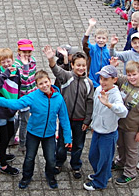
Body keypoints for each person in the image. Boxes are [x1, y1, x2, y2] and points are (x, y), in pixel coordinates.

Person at [0, 70, 72, 189]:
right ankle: (26, 177)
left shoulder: (59, 98)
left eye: (46, 82)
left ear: (50, 81)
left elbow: (64, 119)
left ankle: (50, 176)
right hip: (33, 133)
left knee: (51, 159)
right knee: (30, 157)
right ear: (36, 85)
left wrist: (67, 137)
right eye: (40, 84)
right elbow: (16, 104)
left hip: (49, 134)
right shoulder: (33, 96)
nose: (44, 85)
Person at [43, 45, 94, 179]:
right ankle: (59, 162)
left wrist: (87, 121)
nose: (81, 68)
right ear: (72, 65)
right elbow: (55, 70)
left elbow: (90, 103)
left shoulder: (89, 83)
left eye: (83, 66)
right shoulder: (67, 77)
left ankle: (76, 165)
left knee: (78, 144)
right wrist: (50, 59)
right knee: (61, 143)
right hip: (65, 119)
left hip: (80, 120)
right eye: (78, 65)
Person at [83, 65, 128, 191]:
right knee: (93, 156)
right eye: (101, 78)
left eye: (106, 79)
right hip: (97, 130)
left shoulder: (116, 95)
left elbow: (123, 112)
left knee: (104, 159)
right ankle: (103, 175)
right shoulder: (99, 90)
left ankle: (100, 182)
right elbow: (96, 109)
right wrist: (93, 123)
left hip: (108, 134)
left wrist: (109, 104)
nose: (102, 82)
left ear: (114, 80)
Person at [110, 61, 139, 185]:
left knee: (132, 150)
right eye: (129, 75)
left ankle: (130, 173)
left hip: (133, 128)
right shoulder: (124, 81)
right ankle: (121, 162)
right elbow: (114, 77)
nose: (131, 77)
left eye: (134, 74)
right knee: (121, 146)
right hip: (120, 125)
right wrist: (113, 66)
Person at [0, 48, 21, 176]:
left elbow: (18, 87)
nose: (6, 64)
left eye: (8, 61)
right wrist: (5, 75)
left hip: (11, 109)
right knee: (3, 138)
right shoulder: (0, 74)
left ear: (12, 60)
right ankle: (2, 164)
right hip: (0, 112)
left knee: (10, 134)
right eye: (3, 62)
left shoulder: (16, 71)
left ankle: (1, 154)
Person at [12, 39, 37, 152]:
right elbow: (24, 80)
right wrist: (25, 66)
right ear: (19, 51)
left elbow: (33, 78)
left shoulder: (33, 61)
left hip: (31, 95)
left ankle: (11, 138)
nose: (27, 54)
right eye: (24, 51)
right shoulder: (17, 64)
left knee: (19, 118)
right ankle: (22, 144)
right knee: (24, 121)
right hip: (22, 97)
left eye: (29, 51)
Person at [82, 18, 111, 88]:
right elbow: (85, 42)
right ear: (95, 38)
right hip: (92, 82)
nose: (101, 40)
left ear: (107, 39)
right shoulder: (92, 49)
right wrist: (90, 26)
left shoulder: (109, 52)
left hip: (104, 82)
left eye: (103, 38)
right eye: (99, 38)